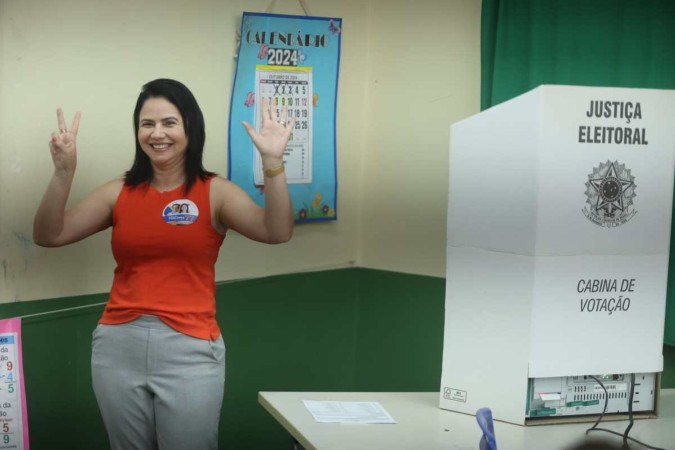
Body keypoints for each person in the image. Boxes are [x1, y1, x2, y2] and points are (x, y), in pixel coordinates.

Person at [33, 79, 295, 450]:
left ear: (190, 127)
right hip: (117, 345)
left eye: (169, 122)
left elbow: (277, 231)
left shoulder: (214, 191)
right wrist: (63, 173)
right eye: (147, 123)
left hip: (190, 350)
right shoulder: (119, 192)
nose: (157, 133)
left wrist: (273, 162)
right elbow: (49, 234)